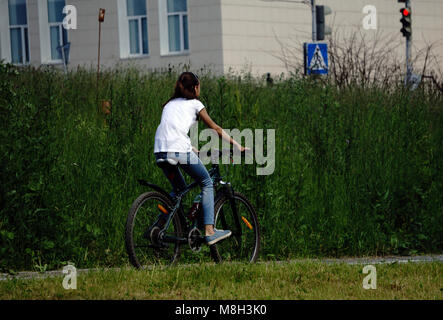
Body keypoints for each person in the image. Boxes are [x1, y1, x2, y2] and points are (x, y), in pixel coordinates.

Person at [153, 72, 248, 246]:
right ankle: (210, 230)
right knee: (206, 182)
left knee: (179, 189)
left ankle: (158, 227)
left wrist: (193, 149)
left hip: (160, 150)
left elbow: (173, 131)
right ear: (195, 88)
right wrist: (237, 146)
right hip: (178, 149)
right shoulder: (196, 104)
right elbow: (215, 129)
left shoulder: (169, 104)